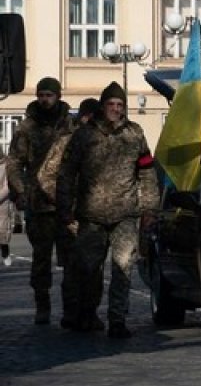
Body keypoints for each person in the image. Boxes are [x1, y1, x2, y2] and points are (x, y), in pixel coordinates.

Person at [57, 82, 160, 339]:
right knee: (89, 269)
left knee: (123, 267)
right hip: (91, 214)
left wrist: (149, 208)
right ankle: (87, 314)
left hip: (125, 213)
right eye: (111, 104)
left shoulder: (135, 134)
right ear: (103, 107)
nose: (116, 109)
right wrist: (65, 207)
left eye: (120, 105)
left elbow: (147, 172)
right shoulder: (84, 136)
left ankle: (117, 319)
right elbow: (67, 173)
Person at [8, 78, 73, 326]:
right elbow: (15, 163)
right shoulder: (27, 128)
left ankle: (70, 308)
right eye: (41, 95)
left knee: (70, 260)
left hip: (66, 204)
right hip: (39, 204)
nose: (44, 99)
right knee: (41, 259)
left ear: (57, 96)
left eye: (49, 95)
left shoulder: (69, 125)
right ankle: (42, 306)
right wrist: (22, 191)